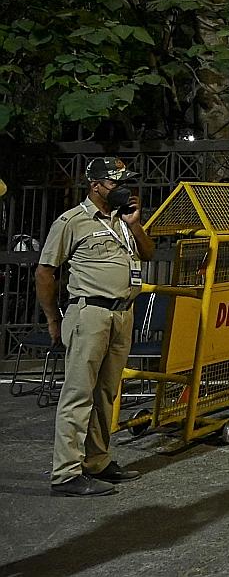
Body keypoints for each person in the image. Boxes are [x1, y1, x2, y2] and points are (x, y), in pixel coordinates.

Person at [36, 157, 154, 496]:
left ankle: (97, 461)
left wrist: (136, 225)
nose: (125, 189)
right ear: (96, 185)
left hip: (122, 314)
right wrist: (53, 319)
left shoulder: (123, 221)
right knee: (78, 393)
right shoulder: (73, 221)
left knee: (106, 393)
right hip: (90, 314)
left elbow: (147, 254)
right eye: (117, 183)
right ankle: (66, 472)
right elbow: (45, 273)